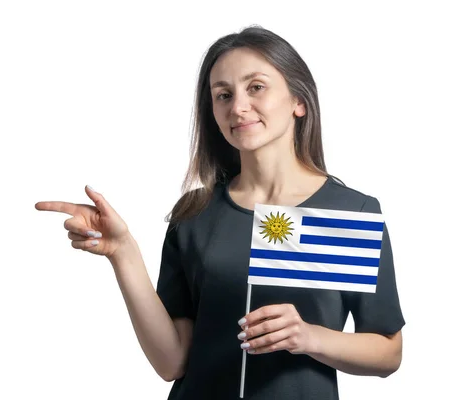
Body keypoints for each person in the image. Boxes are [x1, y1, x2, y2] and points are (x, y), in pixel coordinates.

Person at [35, 25, 405, 400]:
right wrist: (123, 252)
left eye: (256, 87)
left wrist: (311, 337)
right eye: (223, 95)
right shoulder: (196, 212)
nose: (238, 107)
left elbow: (388, 352)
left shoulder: (350, 213)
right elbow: (171, 362)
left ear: (299, 100)